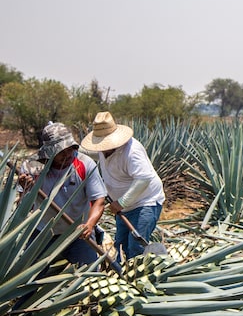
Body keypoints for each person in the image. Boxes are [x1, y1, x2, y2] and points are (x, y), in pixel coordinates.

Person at [18, 122, 108, 266]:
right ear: (49, 151)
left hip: (77, 232)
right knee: (29, 279)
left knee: (88, 276)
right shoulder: (32, 167)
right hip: (43, 232)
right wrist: (27, 190)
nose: (67, 154)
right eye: (61, 151)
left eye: (70, 148)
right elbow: (22, 207)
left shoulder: (84, 164)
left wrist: (89, 225)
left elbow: (99, 200)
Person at [80, 111, 165, 262]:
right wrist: (71, 149)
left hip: (145, 202)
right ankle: (123, 274)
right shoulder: (103, 149)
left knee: (135, 247)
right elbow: (89, 154)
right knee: (120, 245)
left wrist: (121, 202)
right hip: (122, 207)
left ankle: (137, 279)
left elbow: (143, 178)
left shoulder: (131, 151)